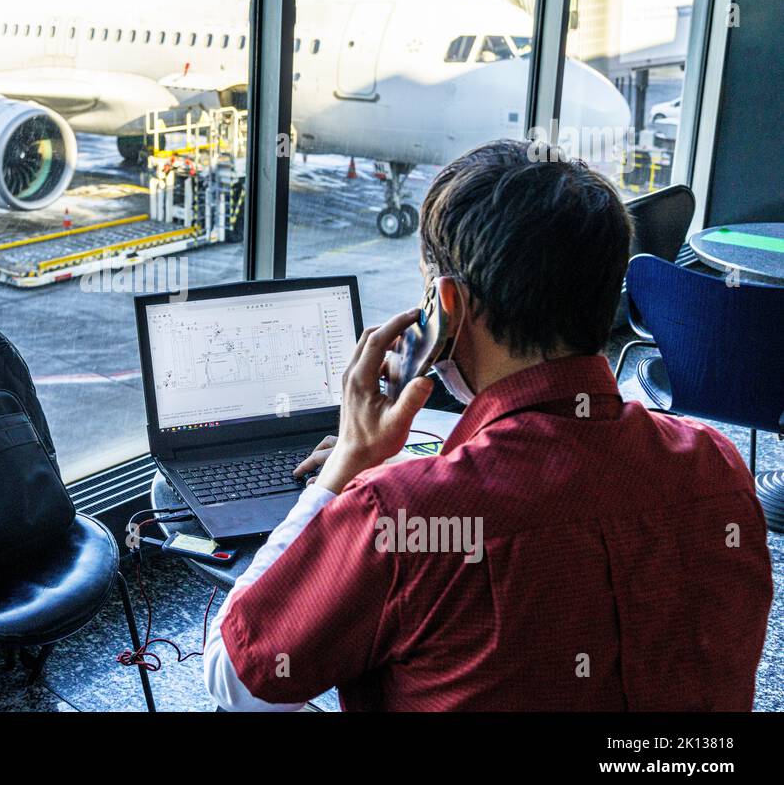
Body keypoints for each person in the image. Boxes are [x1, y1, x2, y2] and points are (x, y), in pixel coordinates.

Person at [202, 139, 774, 711]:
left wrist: (347, 469)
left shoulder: (400, 515)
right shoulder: (718, 466)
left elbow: (239, 682)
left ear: (446, 305)